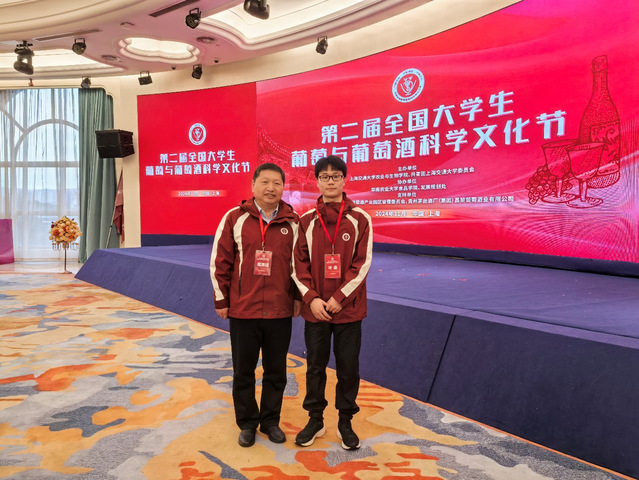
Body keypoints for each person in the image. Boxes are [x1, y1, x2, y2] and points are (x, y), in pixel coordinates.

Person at [210, 162, 301, 447]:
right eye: (265, 182)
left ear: (283, 188)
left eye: (277, 183)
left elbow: (300, 266)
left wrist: (297, 298)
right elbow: (220, 261)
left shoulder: (293, 222)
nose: (271, 188)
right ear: (253, 185)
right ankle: (247, 423)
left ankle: (270, 421)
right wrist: (222, 299)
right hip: (243, 310)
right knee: (243, 372)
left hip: (279, 310)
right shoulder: (234, 218)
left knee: (276, 372)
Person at [292, 155, 373, 450]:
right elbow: (297, 265)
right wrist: (312, 299)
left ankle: (345, 421)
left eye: (335, 176)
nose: (330, 181)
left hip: (348, 310)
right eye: (324, 177)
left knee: (348, 368)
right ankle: (315, 419)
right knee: (315, 367)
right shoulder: (305, 221)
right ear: (317, 181)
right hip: (316, 311)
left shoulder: (360, 219)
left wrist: (339, 298)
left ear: (344, 180)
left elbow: (362, 265)